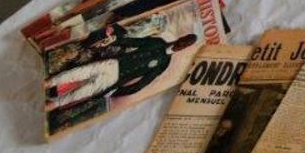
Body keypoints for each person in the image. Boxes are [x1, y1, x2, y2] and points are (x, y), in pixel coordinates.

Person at [45, 27, 199, 110]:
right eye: (184, 40)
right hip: (114, 63)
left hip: (115, 80)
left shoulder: (164, 63)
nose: (182, 44)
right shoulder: (157, 42)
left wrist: (116, 91)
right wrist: (114, 40)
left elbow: (140, 85)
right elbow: (133, 42)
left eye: (186, 45)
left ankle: (53, 104)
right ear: (181, 37)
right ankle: (49, 83)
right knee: (80, 72)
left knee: (82, 92)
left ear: (185, 48)